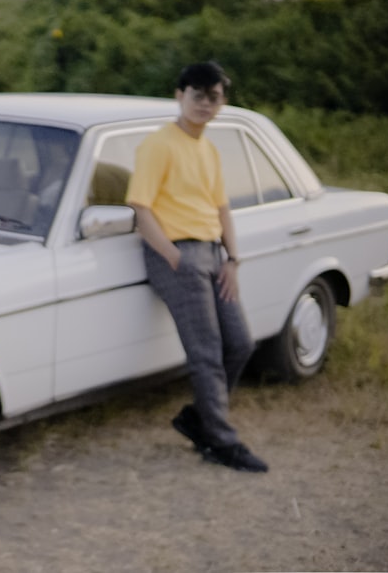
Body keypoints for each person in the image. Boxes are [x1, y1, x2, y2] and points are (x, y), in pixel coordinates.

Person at [124, 61, 268, 473]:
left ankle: (200, 418)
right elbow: (140, 207)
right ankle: (221, 442)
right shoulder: (159, 144)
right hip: (176, 254)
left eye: (214, 96)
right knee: (206, 352)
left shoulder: (208, 148)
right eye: (197, 95)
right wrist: (173, 256)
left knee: (240, 343)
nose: (205, 103)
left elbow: (221, 207)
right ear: (179, 95)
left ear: (222, 101)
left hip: (214, 254)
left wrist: (233, 260)